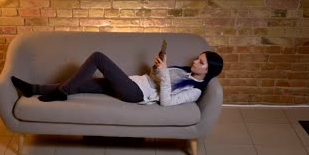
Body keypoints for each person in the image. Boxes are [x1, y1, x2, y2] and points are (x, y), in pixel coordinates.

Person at [11, 50, 223, 106]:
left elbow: (165, 101)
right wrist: (157, 66)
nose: (195, 62)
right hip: (135, 83)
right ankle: (34, 89)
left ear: (208, 71)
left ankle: (61, 94)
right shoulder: (185, 71)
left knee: (98, 57)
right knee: (82, 84)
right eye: (198, 58)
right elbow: (154, 79)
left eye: (201, 62)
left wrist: (165, 73)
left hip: (136, 93)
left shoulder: (195, 91)